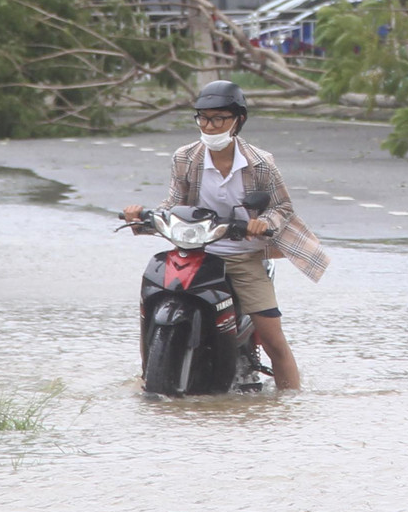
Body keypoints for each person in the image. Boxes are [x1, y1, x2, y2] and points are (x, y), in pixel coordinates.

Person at [123, 81, 328, 390]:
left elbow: (282, 206)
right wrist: (145, 215)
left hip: (241, 256)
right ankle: (145, 379)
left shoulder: (260, 163)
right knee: (152, 296)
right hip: (194, 250)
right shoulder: (185, 158)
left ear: (238, 120)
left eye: (219, 118)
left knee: (273, 338)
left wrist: (264, 222)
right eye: (203, 118)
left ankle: (291, 403)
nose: (210, 125)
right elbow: (174, 203)